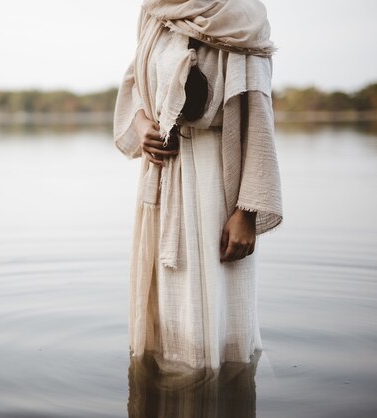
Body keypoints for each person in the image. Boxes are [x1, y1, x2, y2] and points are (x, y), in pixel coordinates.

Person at [113, 0, 283, 372]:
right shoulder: (154, 11)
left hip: (218, 179)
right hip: (163, 174)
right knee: (166, 307)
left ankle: (221, 389)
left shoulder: (241, 16)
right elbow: (138, 83)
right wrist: (143, 127)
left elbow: (258, 117)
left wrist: (247, 210)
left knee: (217, 312)